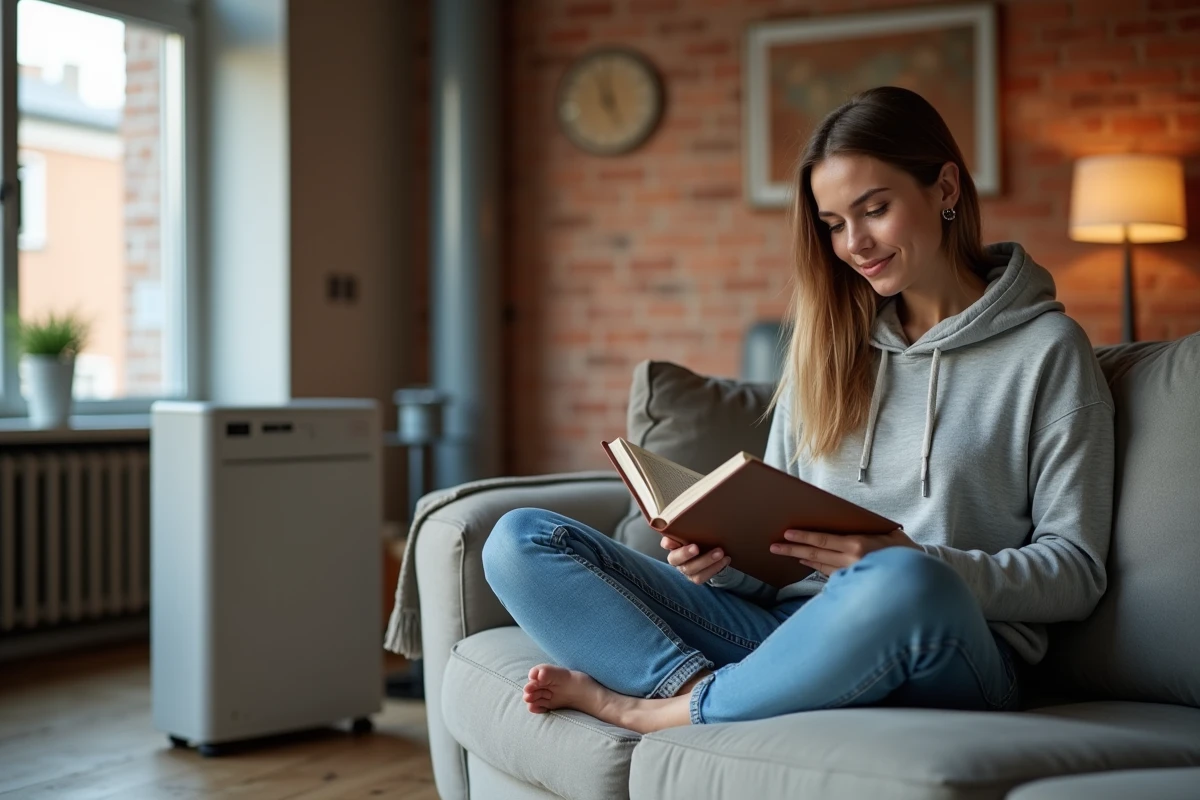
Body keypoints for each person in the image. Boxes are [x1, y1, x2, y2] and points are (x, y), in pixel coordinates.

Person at [481, 86, 1115, 734]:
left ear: (945, 188)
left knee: (903, 579)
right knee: (519, 540)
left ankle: (660, 711)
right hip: (790, 632)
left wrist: (917, 558)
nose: (855, 244)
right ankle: (710, 695)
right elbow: (779, 569)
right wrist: (724, 567)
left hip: (948, 647)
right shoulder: (826, 349)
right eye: (834, 224)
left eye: (875, 210)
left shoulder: (1047, 350)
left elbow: (1076, 572)